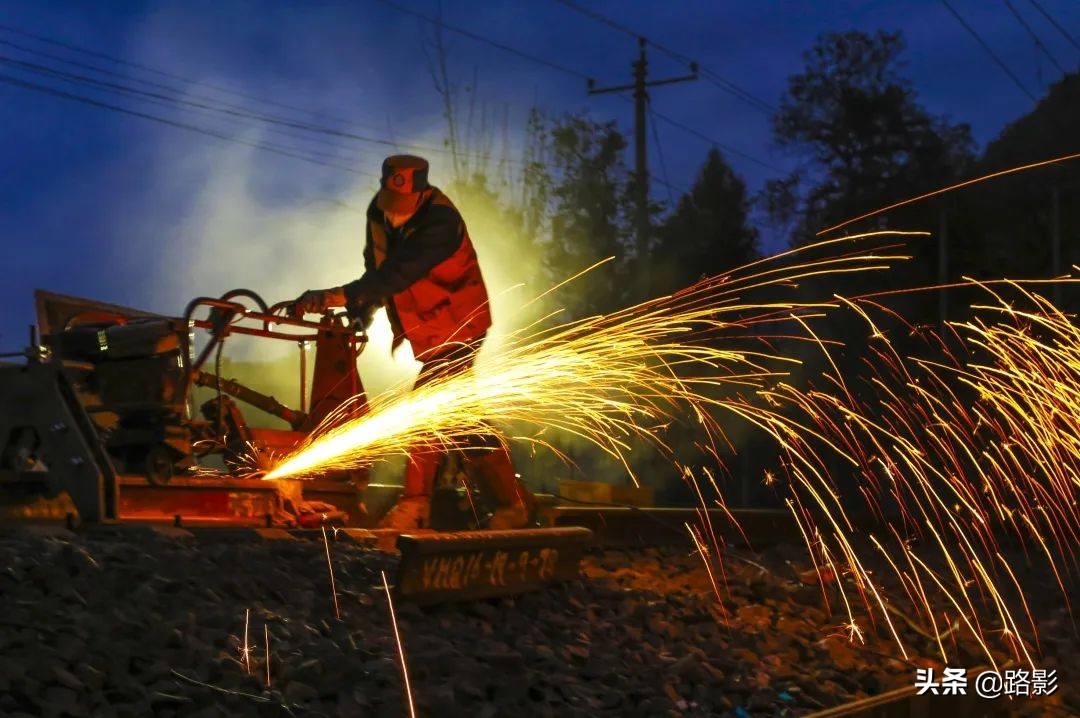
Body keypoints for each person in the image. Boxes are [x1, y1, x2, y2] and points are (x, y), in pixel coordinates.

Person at [293, 154, 535, 530]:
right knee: (461, 423)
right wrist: (362, 312)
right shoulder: (380, 212)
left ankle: (415, 504)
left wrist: (333, 296)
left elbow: (398, 274)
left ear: (421, 194)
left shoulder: (441, 222)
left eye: (403, 209)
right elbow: (376, 271)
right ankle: (513, 506)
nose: (395, 216)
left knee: (424, 408)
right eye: (391, 207)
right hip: (427, 332)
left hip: (460, 326)